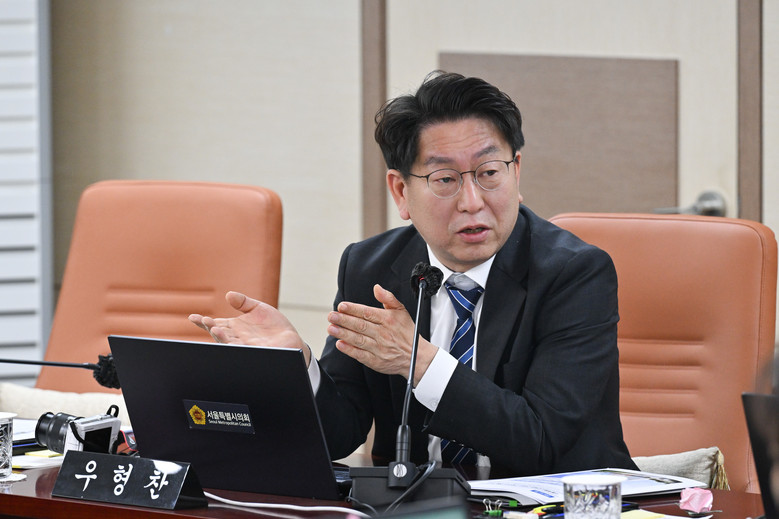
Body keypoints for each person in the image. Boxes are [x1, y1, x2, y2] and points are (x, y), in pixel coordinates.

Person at [189, 71, 636, 476]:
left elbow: (543, 443)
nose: (472, 201)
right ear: (401, 191)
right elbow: (341, 435)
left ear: (516, 172)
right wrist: (297, 366)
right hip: (417, 505)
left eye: (488, 173)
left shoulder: (575, 274)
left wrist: (418, 362)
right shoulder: (370, 268)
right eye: (445, 179)